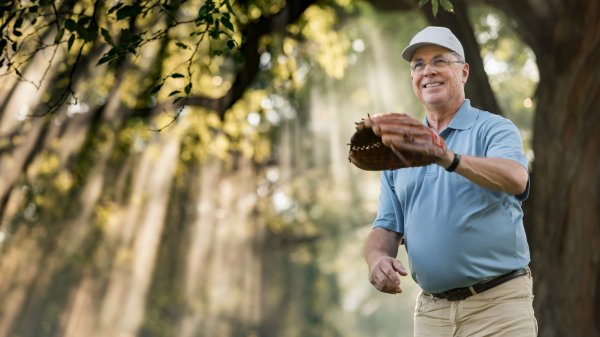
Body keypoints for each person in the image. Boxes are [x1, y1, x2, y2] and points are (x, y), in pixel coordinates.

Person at [363, 26, 538, 336]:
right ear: (413, 80)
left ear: (464, 72)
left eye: (439, 61)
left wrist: (447, 157)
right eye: (418, 65)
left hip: (498, 308)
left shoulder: (494, 129)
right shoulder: (399, 149)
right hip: (433, 315)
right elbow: (387, 226)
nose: (428, 71)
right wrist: (377, 258)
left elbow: (515, 177)